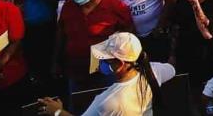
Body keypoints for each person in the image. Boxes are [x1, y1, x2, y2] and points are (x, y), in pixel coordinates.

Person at [39, 32, 175, 116]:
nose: (102, 62)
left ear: (121, 64)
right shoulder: (154, 72)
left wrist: (57, 111)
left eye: (106, 60)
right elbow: (171, 69)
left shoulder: (108, 101)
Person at [55, 0, 134, 97]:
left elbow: (128, 35)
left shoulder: (115, 7)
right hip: (75, 71)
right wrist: (56, 61)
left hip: (105, 72)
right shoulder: (69, 5)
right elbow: (61, 33)